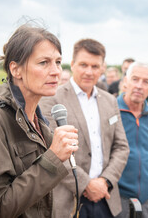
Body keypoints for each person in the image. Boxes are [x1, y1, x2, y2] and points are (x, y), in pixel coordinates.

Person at [0, 24, 79, 217]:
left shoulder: (36, 119)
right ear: (16, 69)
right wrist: (52, 158)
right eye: (44, 63)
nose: (56, 71)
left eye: (58, 62)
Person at [40, 38, 130, 218]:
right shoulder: (51, 99)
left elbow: (121, 147)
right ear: (72, 64)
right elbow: (49, 150)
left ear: (102, 68)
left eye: (95, 66)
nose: (89, 72)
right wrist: (86, 184)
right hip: (69, 200)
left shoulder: (110, 101)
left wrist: (105, 181)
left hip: (106, 198)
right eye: (83, 65)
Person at [116, 62, 148, 218]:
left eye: (146, 82)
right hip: (117, 195)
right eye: (135, 79)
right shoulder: (111, 111)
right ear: (125, 81)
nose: (139, 86)